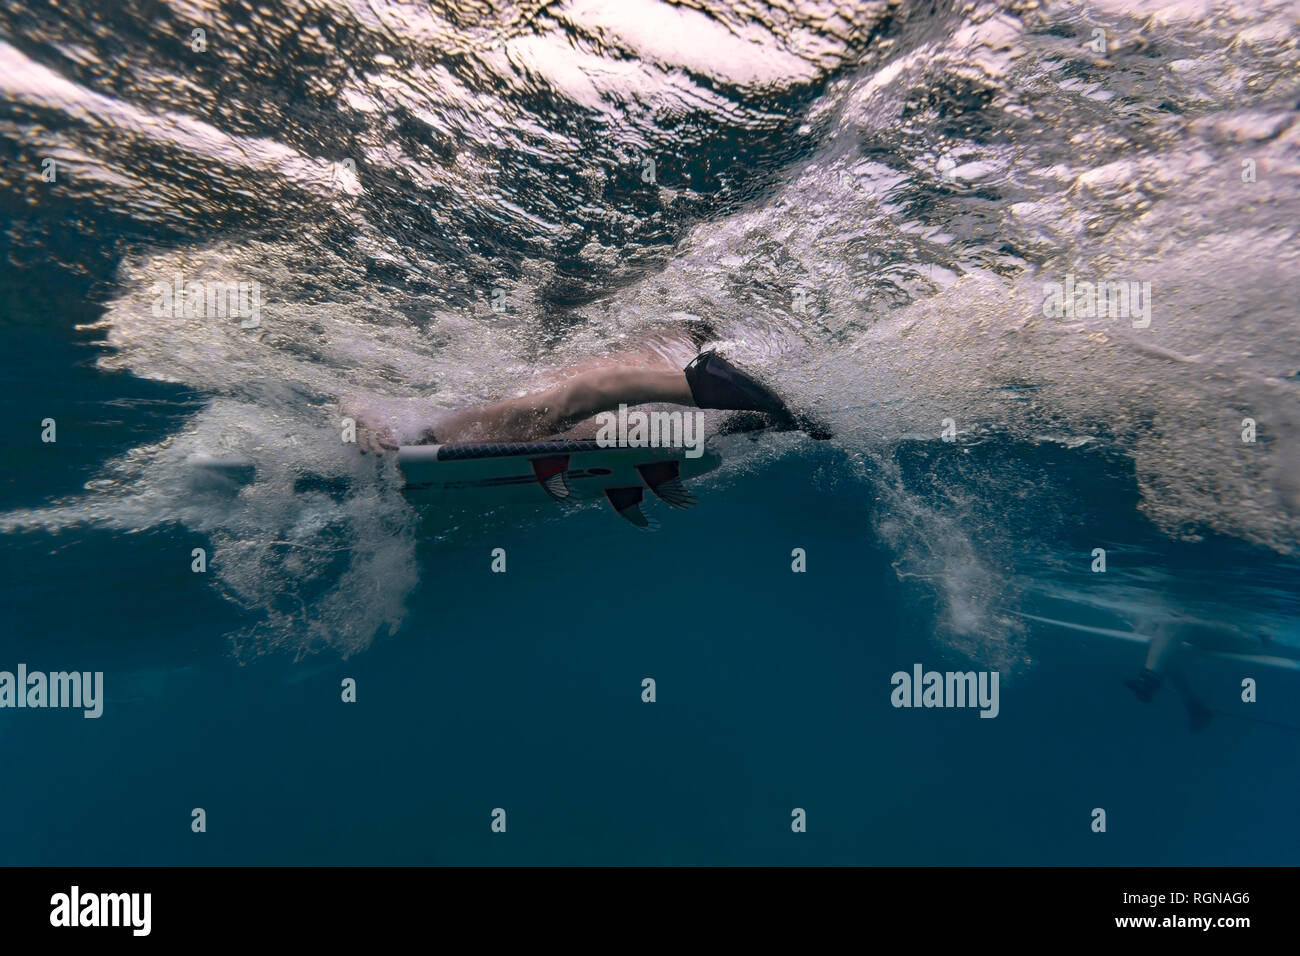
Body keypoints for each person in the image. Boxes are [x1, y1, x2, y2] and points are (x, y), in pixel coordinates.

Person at [354, 346, 830, 454]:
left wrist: (361, 420)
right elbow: (348, 405)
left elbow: (349, 400)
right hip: (448, 448)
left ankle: (700, 384)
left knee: (552, 410)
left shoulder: (428, 416)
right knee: (613, 431)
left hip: (437, 438)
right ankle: (738, 415)